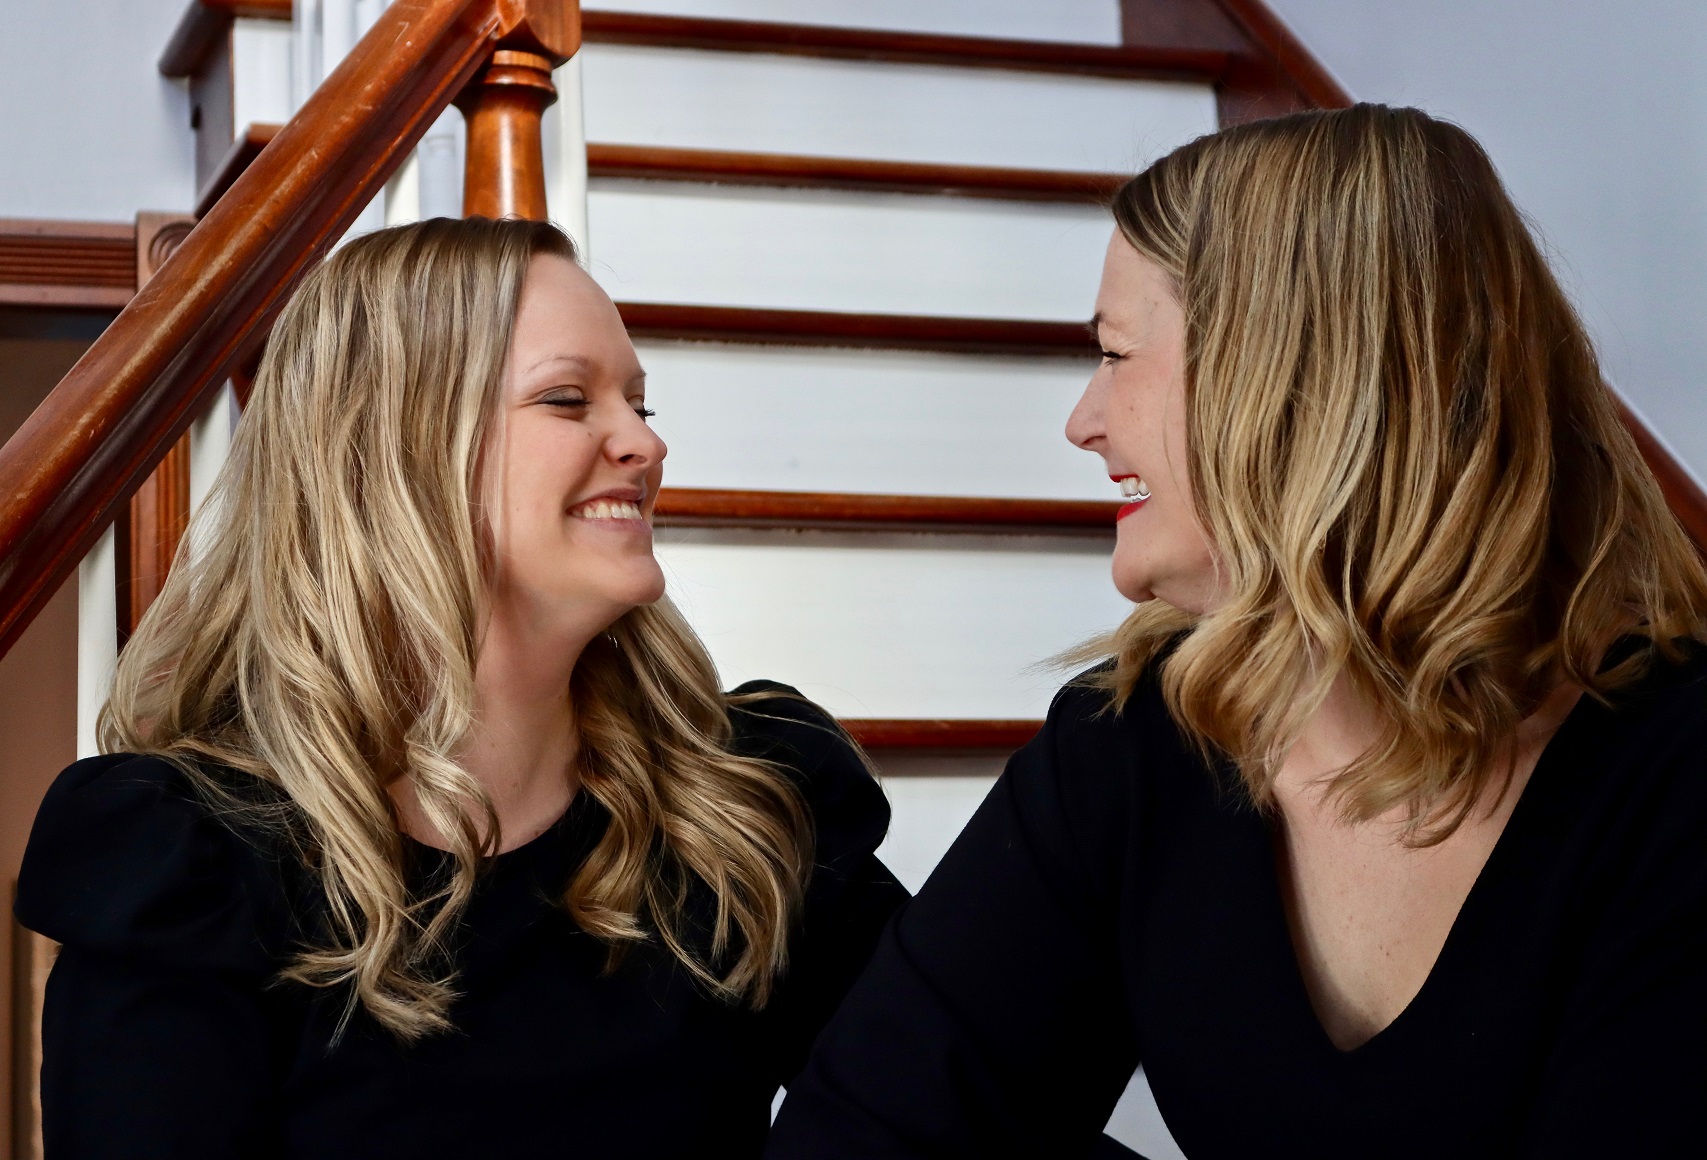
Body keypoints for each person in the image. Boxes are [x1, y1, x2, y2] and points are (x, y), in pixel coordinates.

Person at [765, 104, 1707, 1159]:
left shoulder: (1676, 774)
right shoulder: (1136, 740)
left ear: (1296, 375)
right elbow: (869, 1126)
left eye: (1118, 354)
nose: (1083, 419)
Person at [16, 216, 907, 1159]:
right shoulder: (196, 868)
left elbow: (950, 1107)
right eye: (569, 400)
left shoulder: (741, 803)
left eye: (639, 407)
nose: (644, 448)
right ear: (392, 448)